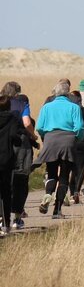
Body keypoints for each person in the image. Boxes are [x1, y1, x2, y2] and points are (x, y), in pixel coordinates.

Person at [36, 81, 84, 218]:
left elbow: (39, 127)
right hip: (68, 141)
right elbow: (79, 127)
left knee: (51, 173)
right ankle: (57, 210)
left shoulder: (46, 107)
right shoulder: (74, 107)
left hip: (51, 140)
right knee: (64, 176)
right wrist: (76, 139)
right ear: (68, 93)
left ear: (55, 93)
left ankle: (47, 195)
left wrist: (46, 136)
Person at [1, 82, 38, 229]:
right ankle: (17, 216)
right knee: (21, 180)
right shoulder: (22, 103)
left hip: (3, 145)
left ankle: (2, 217)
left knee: (5, 181)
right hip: (21, 143)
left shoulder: (1, 102)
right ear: (17, 92)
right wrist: (33, 136)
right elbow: (27, 122)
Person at [0, 95, 26, 235]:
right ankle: (5, 223)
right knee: (5, 191)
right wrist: (18, 142)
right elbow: (14, 137)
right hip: (6, 159)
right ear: (9, 106)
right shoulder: (13, 119)